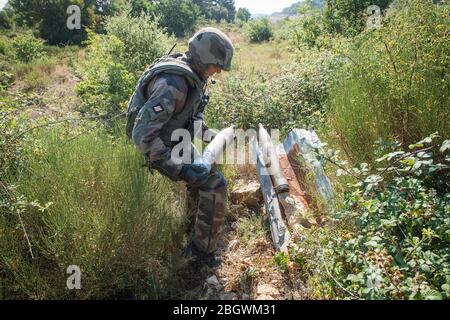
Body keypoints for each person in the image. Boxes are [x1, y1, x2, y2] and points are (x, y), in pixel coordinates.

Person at [126, 27, 234, 268]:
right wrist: (181, 170)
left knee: (202, 171)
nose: (218, 70)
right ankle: (200, 254)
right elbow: (142, 135)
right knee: (215, 184)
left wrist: (214, 137)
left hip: (173, 141)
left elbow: (191, 121)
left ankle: (191, 223)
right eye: (217, 64)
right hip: (157, 148)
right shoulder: (174, 84)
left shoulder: (192, 77)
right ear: (205, 57)